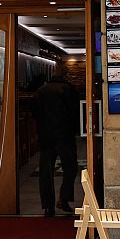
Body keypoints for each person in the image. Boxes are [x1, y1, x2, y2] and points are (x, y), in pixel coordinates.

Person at [32, 67, 80, 217]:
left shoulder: (40, 91)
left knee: (46, 172)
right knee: (70, 168)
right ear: (64, 76)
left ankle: (48, 206)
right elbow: (75, 112)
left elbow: (34, 113)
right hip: (64, 136)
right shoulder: (68, 90)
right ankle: (64, 199)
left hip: (46, 136)